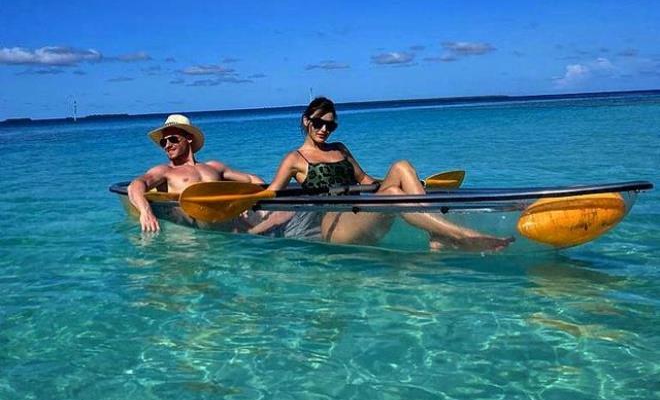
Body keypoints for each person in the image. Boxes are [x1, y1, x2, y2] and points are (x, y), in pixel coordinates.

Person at [250, 97, 513, 252]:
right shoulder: (295, 158)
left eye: (330, 125)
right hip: (332, 226)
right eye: (318, 123)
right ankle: (462, 235)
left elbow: (366, 181)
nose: (324, 129)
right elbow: (274, 192)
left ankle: (437, 234)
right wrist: (250, 204)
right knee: (394, 194)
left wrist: (410, 184)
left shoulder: (340, 149)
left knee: (401, 167)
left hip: (358, 210)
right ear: (307, 121)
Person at [128, 114, 265, 232]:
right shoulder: (165, 171)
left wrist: (251, 199)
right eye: (163, 142)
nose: (167, 145)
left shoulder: (214, 166)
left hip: (226, 228)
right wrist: (146, 212)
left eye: (173, 139)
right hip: (191, 236)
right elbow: (136, 185)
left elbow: (251, 179)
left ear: (189, 138)